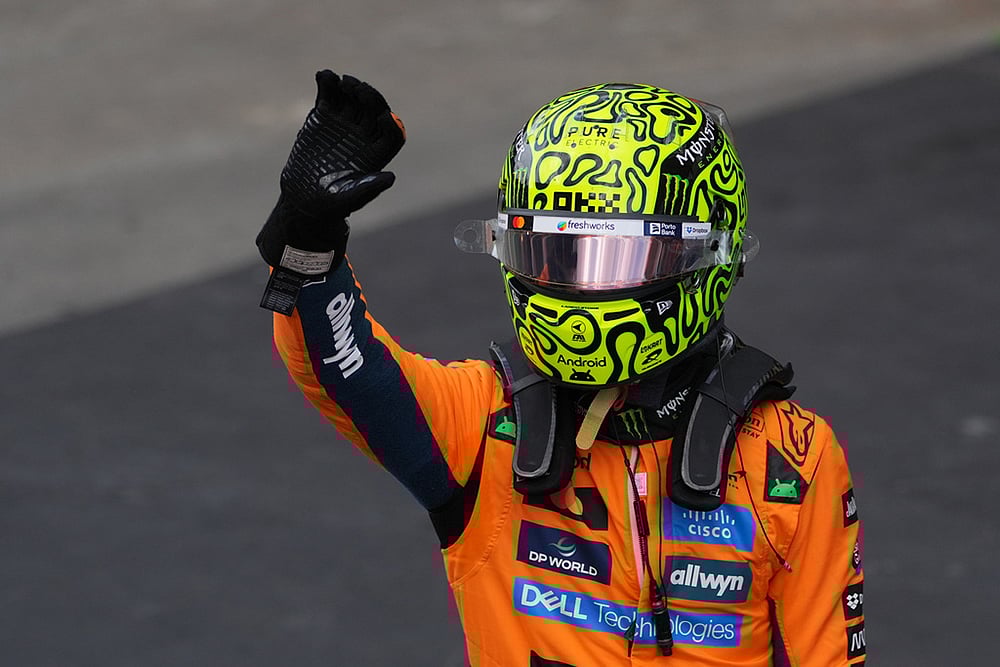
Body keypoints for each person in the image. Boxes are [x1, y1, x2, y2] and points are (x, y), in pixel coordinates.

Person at [255, 70, 866, 666]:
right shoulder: (488, 427)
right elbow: (346, 371)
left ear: (710, 253)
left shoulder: (792, 454)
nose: (578, 288)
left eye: (611, 258)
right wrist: (309, 243)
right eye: (551, 253)